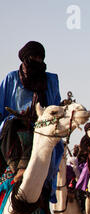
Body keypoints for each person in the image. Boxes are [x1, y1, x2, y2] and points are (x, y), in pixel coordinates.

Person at [0, 40, 63, 202]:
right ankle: (15, 167)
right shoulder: (12, 78)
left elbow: (55, 104)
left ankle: (46, 190)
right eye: (34, 57)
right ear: (25, 58)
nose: (37, 61)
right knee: (11, 125)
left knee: (54, 146)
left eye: (40, 58)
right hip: (14, 123)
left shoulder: (51, 80)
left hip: (42, 124)